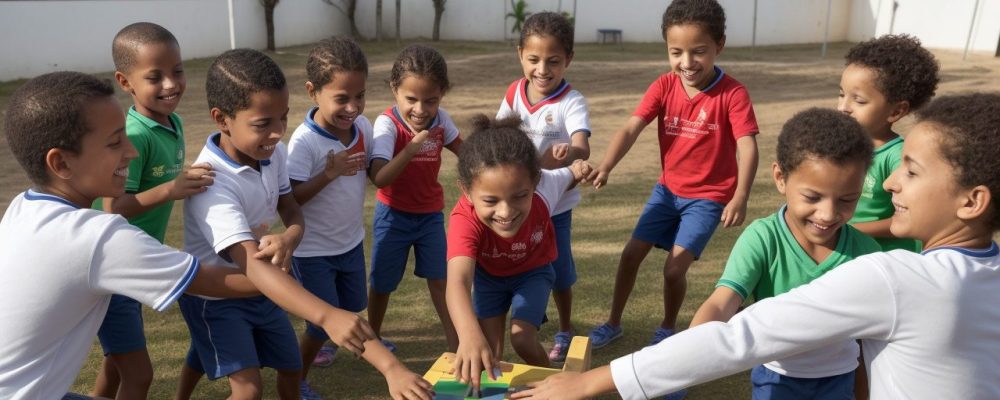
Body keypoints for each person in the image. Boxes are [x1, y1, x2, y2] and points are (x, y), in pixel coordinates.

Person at [512, 93, 1000, 400]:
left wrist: (587, 383)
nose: (891, 182)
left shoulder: (894, 277)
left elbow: (739, 337)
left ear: (972, 201)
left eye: (911, 171)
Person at [176, 49, 431, 400]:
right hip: (217, 299)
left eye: (283, 118)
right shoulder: (212, 185)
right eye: (262, 123)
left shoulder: (272, 153)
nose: (278, 133)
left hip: (261, 289)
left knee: (292, 368)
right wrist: (328, 318)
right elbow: (251, 263)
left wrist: (289, 238)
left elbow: (291, 209)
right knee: (248, 390)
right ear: (222, 119)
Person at [0, 71, 260, 400]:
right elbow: (217, 283)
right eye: (114, 142)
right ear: (61, 163)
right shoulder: (97, 237)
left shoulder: (23, 206)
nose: (132, 152)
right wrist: (284, 276)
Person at [587, 0, 759, 349]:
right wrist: (606, 165)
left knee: (673, 269)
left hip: (708, 198)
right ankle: (613, 322)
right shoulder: (664, 86)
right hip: (667, 191)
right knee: (631, 255)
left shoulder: (733, 94)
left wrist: (740, 196)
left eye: (698, 52)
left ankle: (667, 328)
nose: (686, 62)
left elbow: (748, 146)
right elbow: (631, 128)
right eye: (676, 52)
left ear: (719, 46)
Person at [687, 109, 878, 399]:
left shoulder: (867, 253)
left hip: (842, 381)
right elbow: (721, 303)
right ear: (780, 177)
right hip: (777, 380)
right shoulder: (763, 239)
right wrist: (686, 353)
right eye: (812, 197)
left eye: (847, 200)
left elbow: (872, 340)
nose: (827, 214)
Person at [88, 22, 213, 399]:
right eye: (154, 77)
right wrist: (170, 190)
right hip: (113, 264)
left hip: (136, 261)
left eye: (177, 71)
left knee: (117, 361)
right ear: (125, 83)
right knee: (139, 376)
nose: (171, 84)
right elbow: (115, 208)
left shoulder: (170, 121)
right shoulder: (135, 135)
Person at [446, 115, 592, 393]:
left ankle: (557, 385)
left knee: (522, 339)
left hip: (533, 273)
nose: (506, 211)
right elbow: (458, 281)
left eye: (519, 196)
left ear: (535, 182)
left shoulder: (547, 184)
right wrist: (468, 335)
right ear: (466, 191)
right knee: (488, 352)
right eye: (490, 200)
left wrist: (581, 169)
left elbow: (571, 174)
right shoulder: (463, 220)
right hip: (489, 279)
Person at [496, 11, 591, 363]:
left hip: (556, 206)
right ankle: (528, 319)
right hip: (516, 205)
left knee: (560, 271)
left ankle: (564, 329)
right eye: (533, 59)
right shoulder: (513, 92)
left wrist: (571, 153)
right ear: (521, 53)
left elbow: (582, 146)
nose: (542, 69)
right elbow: (500, 134)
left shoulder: (572, 101)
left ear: (568, 59)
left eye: (553, 61)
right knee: (519, 264)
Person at [284, 36, 374, 399]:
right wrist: (329, 173)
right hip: (313, 250)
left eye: (359, 96)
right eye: (341, 98)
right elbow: (290, 201)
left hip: (350, 242)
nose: (352, 107)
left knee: (353, 307)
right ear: (313, 91)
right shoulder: (305, 142)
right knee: (320, 324)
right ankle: (296, 381)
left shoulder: (363, 127)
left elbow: (374, 173)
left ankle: (328, 344)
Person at [367, 44, 461, 353]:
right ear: (395, 89)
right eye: (411, 99)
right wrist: (411, 147)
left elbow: (467, 152)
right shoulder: (386, 124)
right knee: (382, 285)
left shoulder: (441, 120)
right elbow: (379, 178)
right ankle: (373, 339)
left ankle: (456, 345)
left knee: (441, 281)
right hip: (393, 215)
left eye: (431, 100)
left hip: (430, 216)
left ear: (442, 94)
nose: (420, 109)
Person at [839, 34, 939, 253]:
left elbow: (912, 218)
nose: (843, 107)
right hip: (845, 245)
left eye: (858, 100)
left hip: (884, 257)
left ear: (896, 111)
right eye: (841, 94)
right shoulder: (841, 145)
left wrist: (849, 230)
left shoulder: (898, 156)